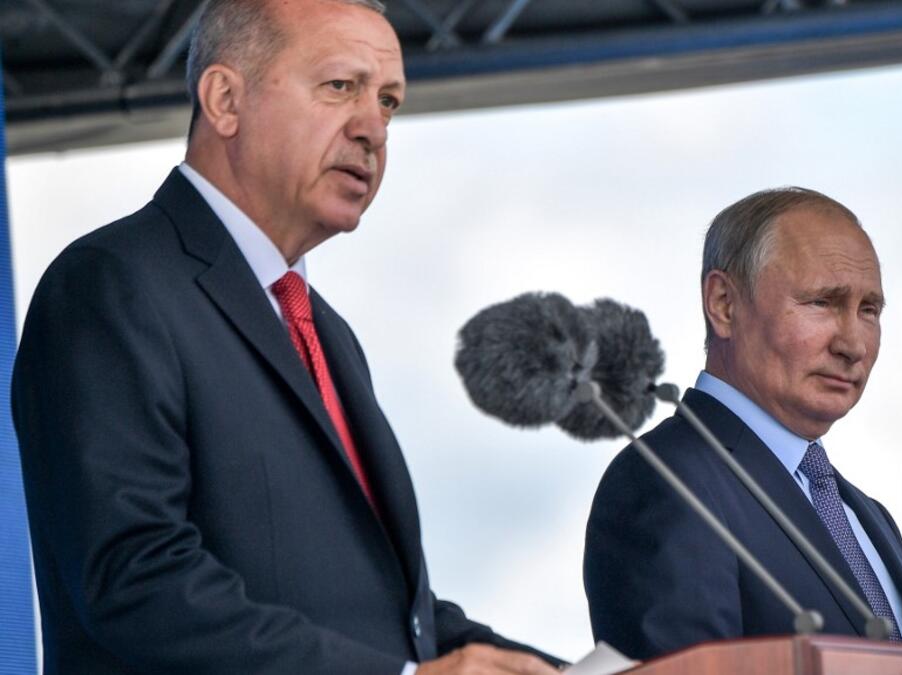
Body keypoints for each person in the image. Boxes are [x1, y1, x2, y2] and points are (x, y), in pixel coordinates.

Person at [12, 1, 561, 673]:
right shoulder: (111, 283)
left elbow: (397, 615)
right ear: (224, 100)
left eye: (388, 102)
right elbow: (137, 575)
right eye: (340, 87)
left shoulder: (329, 334)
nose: (373, 129)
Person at [583, 187, 902, 660]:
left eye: (868, 310)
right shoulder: (666, 479)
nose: (852, 343)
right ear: (725, 304)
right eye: (821, 303)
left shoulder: (869, 518)